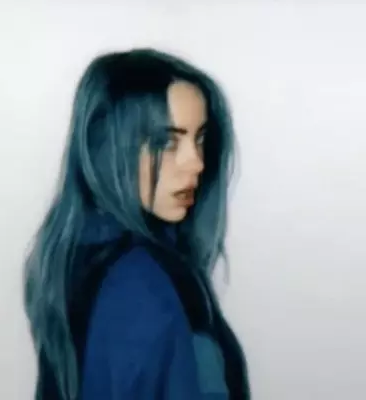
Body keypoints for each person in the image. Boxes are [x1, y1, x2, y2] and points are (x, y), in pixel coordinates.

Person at [23, 48, 251, 400]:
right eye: (167, 142)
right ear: (110, 147)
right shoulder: (140, 284)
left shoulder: (76, 258)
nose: (196, 163)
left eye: (200, 138)